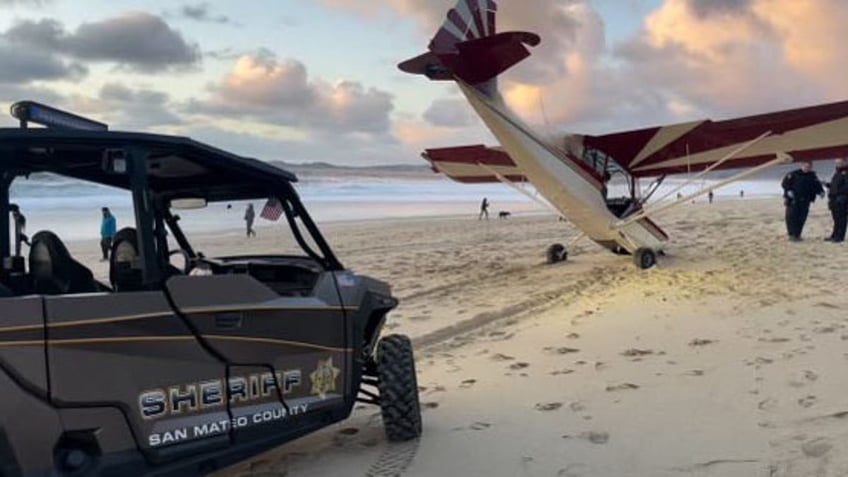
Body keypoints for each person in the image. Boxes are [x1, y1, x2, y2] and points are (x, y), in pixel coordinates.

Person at [781, 161, 824, 241]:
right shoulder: (793, 174)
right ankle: (791, 234)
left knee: (802, 218)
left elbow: (817, 185)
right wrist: (788, 191)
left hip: (805, 200)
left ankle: (797, 234)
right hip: (793, 200)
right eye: (806, 166)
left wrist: (821, 192)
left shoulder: (812, 176)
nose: (807, 168)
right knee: (791, 217)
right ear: (802, 165)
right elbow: (784, 184)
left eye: (809, 167)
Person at [826, 158, 848, 242]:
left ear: (845, 162)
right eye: (836, 163)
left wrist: (838, 192)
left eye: (839, 163)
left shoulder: (846, 173)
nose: (837, 164)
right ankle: (834, 235)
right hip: (833, 198)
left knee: (841, 218)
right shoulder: (837, 172)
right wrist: (828, 185)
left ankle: (840, 237)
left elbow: (846, 187)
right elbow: (836, 185)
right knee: (835, 218)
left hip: (842, 199)